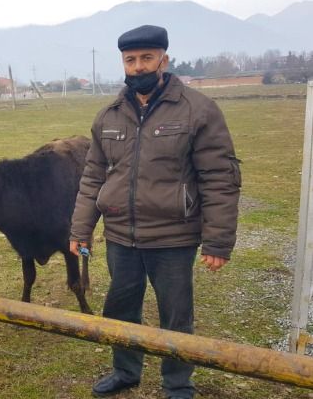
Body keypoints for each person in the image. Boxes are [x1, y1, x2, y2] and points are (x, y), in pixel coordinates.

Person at [69, 25, 240, 399]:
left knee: (175, 317)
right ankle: (125, 372)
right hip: (120, 237)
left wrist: (218, 241)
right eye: (130, 60)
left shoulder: (198, 110)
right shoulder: (108, 116)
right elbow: (92, 176)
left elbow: (219, 179)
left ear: (164, 59)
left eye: (147, 58)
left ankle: (178, 383)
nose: (138, 66)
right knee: (120, 309)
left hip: (173, 238)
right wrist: (80, 230)